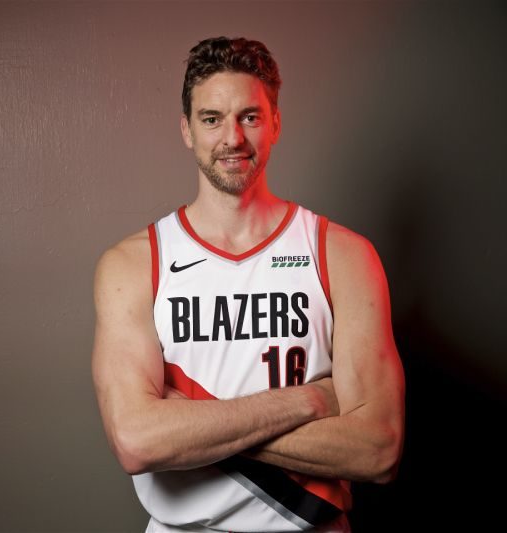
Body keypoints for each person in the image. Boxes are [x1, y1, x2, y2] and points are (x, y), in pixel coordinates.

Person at [91, 37, 405, 533]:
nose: (232, 138)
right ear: (187, 130)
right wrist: (309, 401)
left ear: (276, 122)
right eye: (211, 118)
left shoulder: (342, 256)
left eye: (250, 117)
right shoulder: (133, 265)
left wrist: (190, 426)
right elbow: (136, 441)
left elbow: (378, 449)